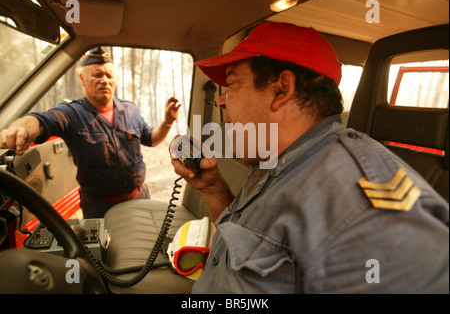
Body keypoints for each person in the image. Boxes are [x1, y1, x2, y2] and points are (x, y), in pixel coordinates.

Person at [170, 22, 449, 293]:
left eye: (231, 84)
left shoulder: (358, 198)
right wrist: (213, 191)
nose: (220, 100)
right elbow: (248, 242)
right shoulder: (275, 162)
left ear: (281, 89)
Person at [0, 47, 181, 218]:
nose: (104, 80)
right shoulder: (72, 113)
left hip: (139, 197)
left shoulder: (130, 109)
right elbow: (44, 120)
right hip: (99, 208)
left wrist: (168, 121)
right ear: (83, 79)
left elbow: (151, 139)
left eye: (109, 75)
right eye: (97, 75)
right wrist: (22, 127)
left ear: (115, 80)